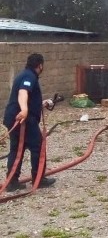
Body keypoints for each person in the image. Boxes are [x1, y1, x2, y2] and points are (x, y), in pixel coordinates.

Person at [2, 53, 56, 192]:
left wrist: (42, 103)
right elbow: (23, 93)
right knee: (38, 146)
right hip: (23, 119)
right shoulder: (29, 76)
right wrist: (25, 110)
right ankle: (39, 179)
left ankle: (12, 182)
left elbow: (28, 97)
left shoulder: (24, 74)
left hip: (14, 117)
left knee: (16, 149)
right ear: (40, 65)